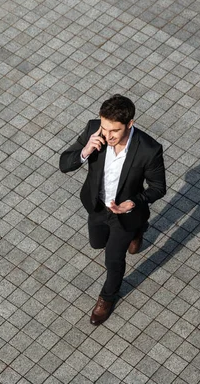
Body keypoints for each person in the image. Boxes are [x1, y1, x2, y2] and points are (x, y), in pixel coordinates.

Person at [59, 94, 166, 325]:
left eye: (114, 131)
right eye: (104, 128)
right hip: (97, 207)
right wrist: (85, 151)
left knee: (113, 260)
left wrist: (134, 202)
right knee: (96, 243)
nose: (107, 136)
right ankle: (141, 228)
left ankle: (106, 298)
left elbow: (158, 188)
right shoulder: (93, 130)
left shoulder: (149, 149)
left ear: (130, 124)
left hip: (125, 214)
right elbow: (64, 164)